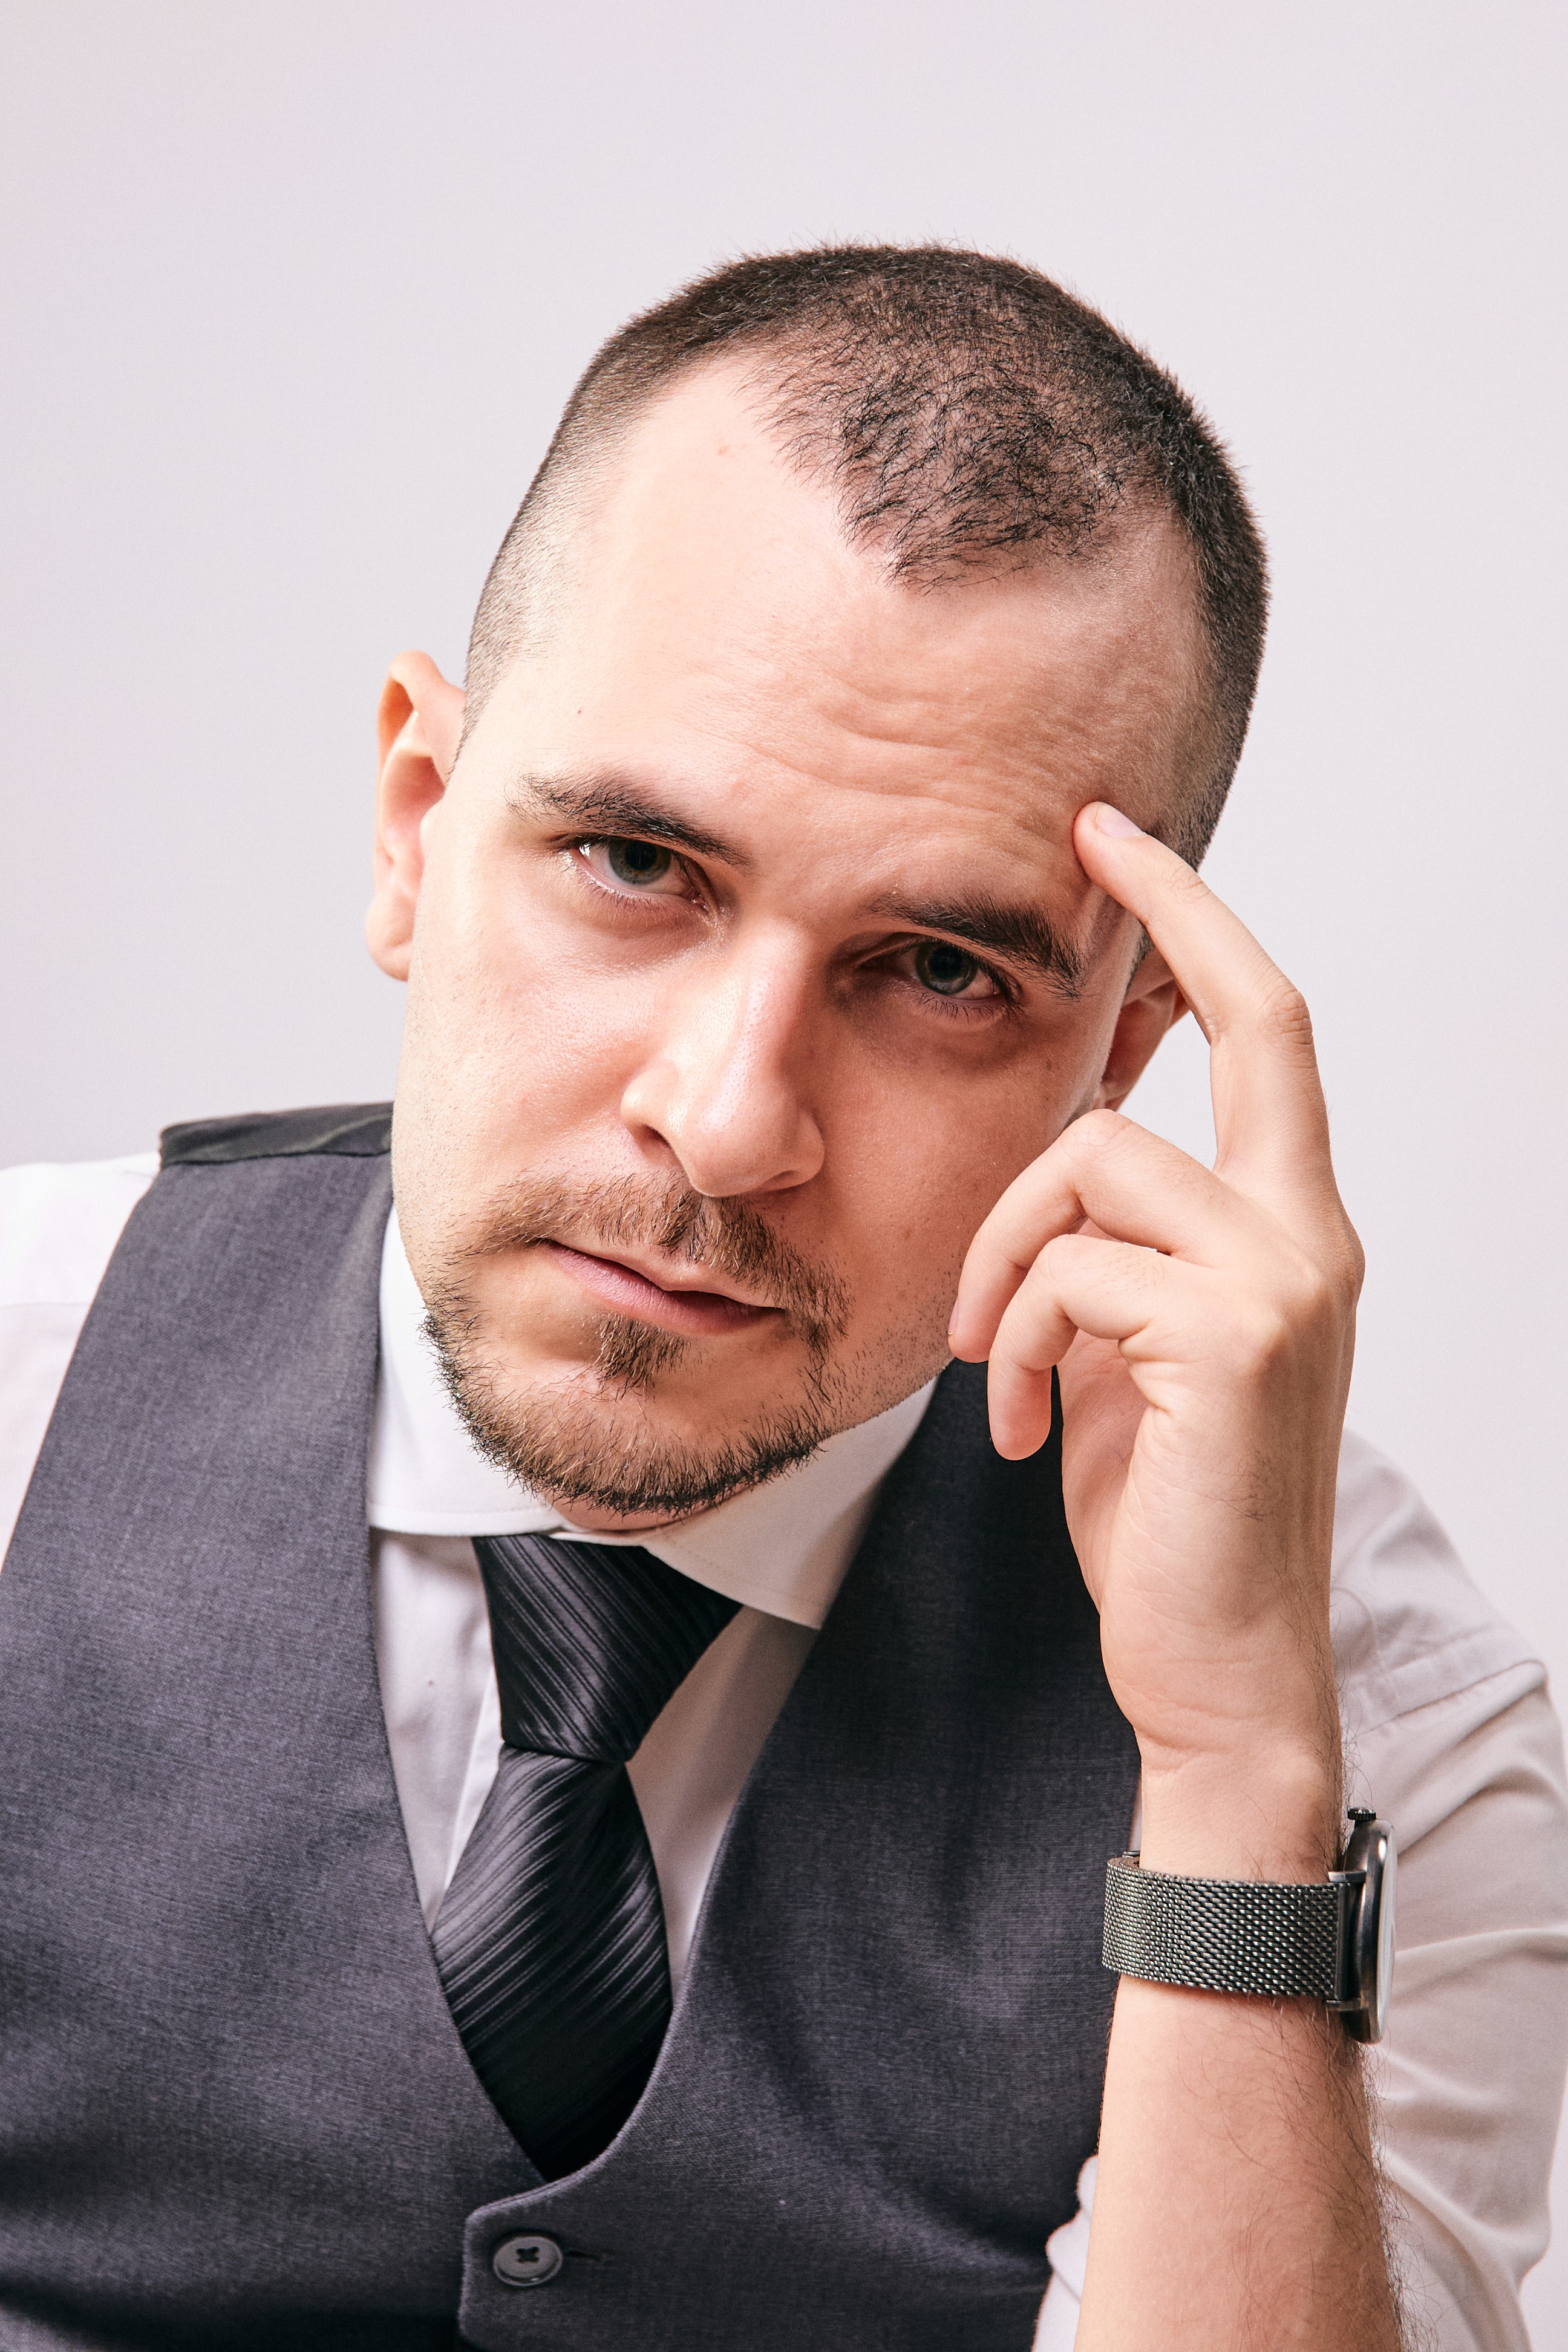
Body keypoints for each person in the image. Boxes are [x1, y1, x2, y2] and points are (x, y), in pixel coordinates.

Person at [1, 246, 1563, 2352]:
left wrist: (1231, 1780)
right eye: (636, 865)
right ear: (417, 830)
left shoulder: (1377, 1709)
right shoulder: (21, 1384)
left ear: (1119, 1052)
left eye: (941, 971)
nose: (730, 1122)